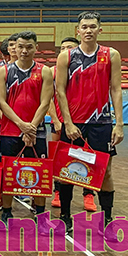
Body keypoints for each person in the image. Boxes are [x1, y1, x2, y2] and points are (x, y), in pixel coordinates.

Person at [55, 11, 123, 232]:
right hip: (74, 123)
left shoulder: (111, 55)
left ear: (99, 29)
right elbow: (60, 91)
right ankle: (65, 217)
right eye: (84, 27)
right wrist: (67, 122)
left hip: (101, 123)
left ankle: (108, 219)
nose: (88, 30)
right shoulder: (66, 56)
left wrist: (119, 124)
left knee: (105, 172)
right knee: (67, 171)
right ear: (78, 30)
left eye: (92, 26)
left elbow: (116, 89)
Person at [0, 31, 53, 225]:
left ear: (36, 48)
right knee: (7, 173)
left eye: (29, 47)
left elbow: (45, 102)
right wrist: (21, 125)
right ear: (14, 48)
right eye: (20, 46)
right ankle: (6, 212)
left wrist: (31, 128)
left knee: (40, 172)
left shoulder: (45, 71)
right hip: (10, 131)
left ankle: (41, 214)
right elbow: (1, 102)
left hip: (37, 131)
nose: (24, 51)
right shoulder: (4, 71)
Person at [49, 37, 96, 211]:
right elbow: (49, 99)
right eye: (62, 48)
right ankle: (58, 192)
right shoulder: (52, 71)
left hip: (86, 120)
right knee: (59, 160)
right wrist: (55, 119)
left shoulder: (88, 69)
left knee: (88, 158)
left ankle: (88, 193)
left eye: (69, 47)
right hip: (61, 122)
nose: (65, 50)